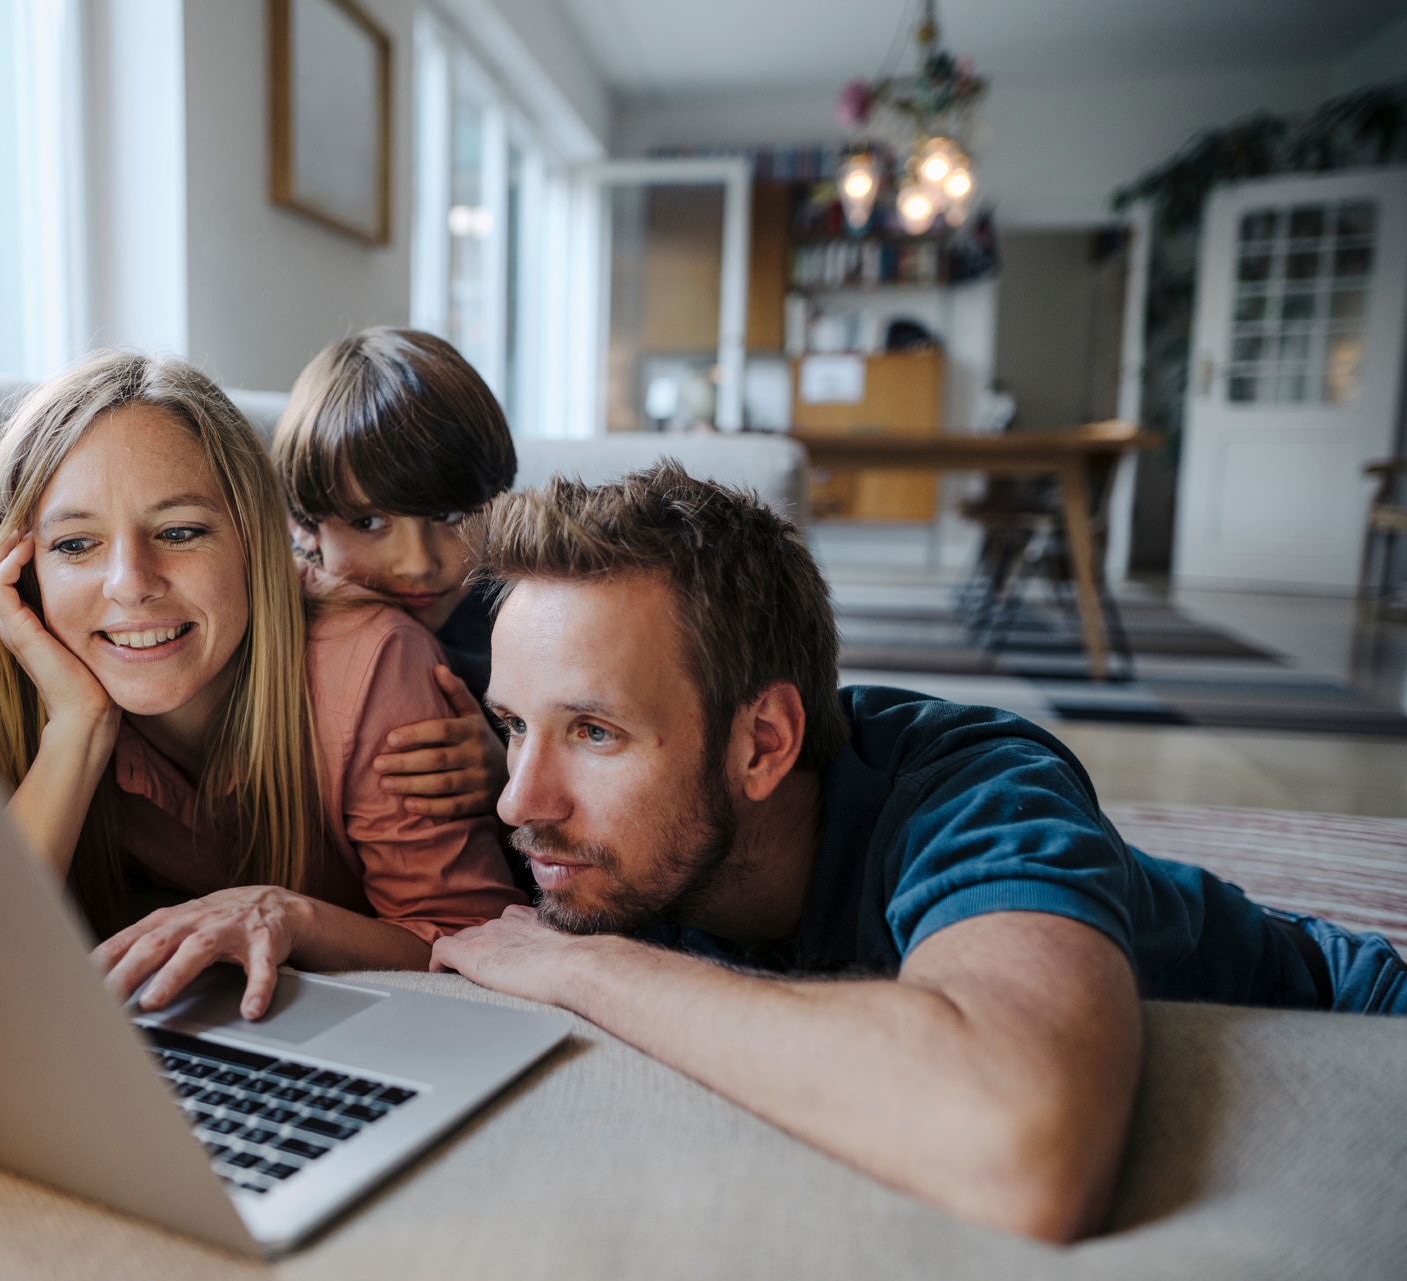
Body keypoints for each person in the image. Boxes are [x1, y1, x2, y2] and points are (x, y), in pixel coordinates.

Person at [430, 462, 1407, 1244]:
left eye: (594, 732)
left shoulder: (975, 788)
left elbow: (1022, 1147)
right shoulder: (598, 830)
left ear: (764, 743)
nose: (521, 799)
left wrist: (580, 966)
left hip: (1350, 1020)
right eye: (512, 724)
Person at [0, 351, 523, 1020]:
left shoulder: (381, 660)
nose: (131, 584)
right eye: (76, 545)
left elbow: (475, 950)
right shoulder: (46, 680)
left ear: (258, 541)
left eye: (179, 531)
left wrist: (290, 915)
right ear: (23, 574)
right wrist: (76, 730)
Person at [272, 327, 515, 825]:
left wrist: (510, 776)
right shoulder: (278, 638)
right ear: (305, 525)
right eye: (368, 523)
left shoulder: (526, 623)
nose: (416, 562)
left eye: (449, 515)